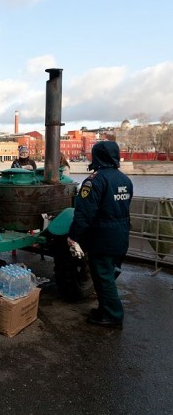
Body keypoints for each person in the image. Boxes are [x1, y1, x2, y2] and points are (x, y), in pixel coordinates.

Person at [67, 140, 133, 329]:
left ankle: (113, 315)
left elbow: (84, 214)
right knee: (109, 274)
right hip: (121, 235)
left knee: (103, 278)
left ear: (97, 157)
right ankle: (105, 309)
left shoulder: (94, 181)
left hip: (102, 237)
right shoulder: (125, 180)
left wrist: (73, 236)